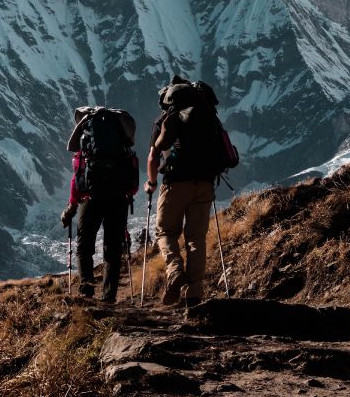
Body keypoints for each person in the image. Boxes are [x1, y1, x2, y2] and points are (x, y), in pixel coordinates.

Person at [144, 76, 228, 307]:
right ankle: (193, 295)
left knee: (166, 232)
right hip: (205, 183)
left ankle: (174, 271)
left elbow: (153, 157)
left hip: (175, 182)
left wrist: (151, 183)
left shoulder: (167, 119)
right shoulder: (209, 117)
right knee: (196, 239)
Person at [60, 106, 139, 302]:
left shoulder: (87, 149)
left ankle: (86, 291)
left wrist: (71, 208)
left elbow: (77, 179)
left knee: (84, 247)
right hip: (118, 199)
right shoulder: (122, 148)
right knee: (112, 249)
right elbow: (133, 179)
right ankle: (109, 296)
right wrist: (126, 194)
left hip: (91, 199)